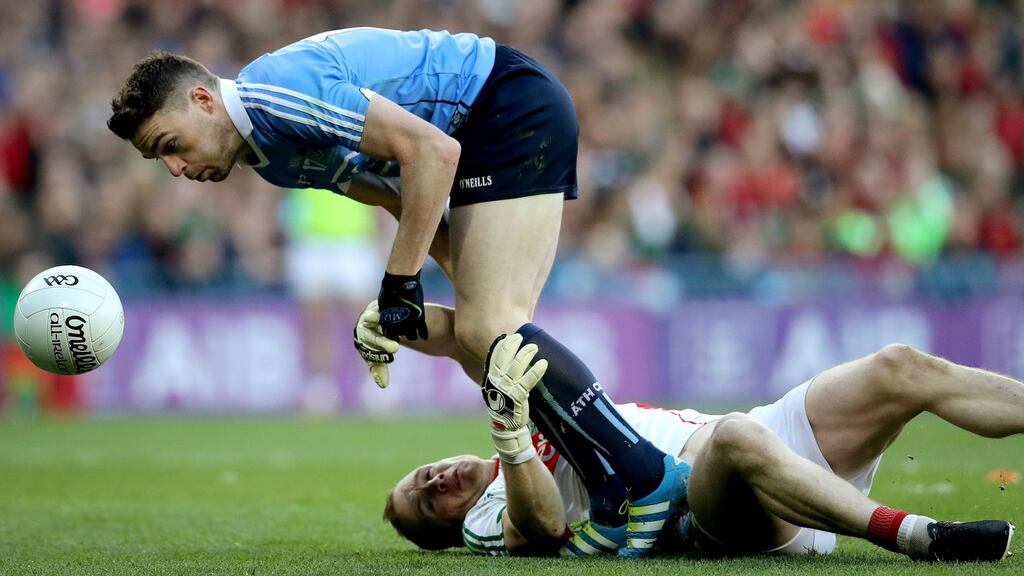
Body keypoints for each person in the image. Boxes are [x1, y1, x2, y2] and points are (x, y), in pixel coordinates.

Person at [107, 28, 688, 555]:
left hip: (503, 108)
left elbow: (432, 153)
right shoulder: (269, 157)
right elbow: (391, 192)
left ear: (203, 101)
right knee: (491, 336)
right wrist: (446, 283)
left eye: (169, 144)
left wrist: (401, 280)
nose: (176, 168)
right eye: (161, 159)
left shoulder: (273, 97)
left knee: (490, 331)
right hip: (484, 127)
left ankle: (646, 477)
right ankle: (614, 490)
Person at [385, 338, 1021, 561]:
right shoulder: (489, 516)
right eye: (427, 502)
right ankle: (918, 537)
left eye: (420, 476)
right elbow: (541, 528)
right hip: (716, 501)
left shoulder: (526, 410)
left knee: (899, 367)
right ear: (453, 527)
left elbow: (475, 328)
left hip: (774, 436)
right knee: (736, 438)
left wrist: (398, 315)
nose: (434, 480)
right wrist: (511, 437)